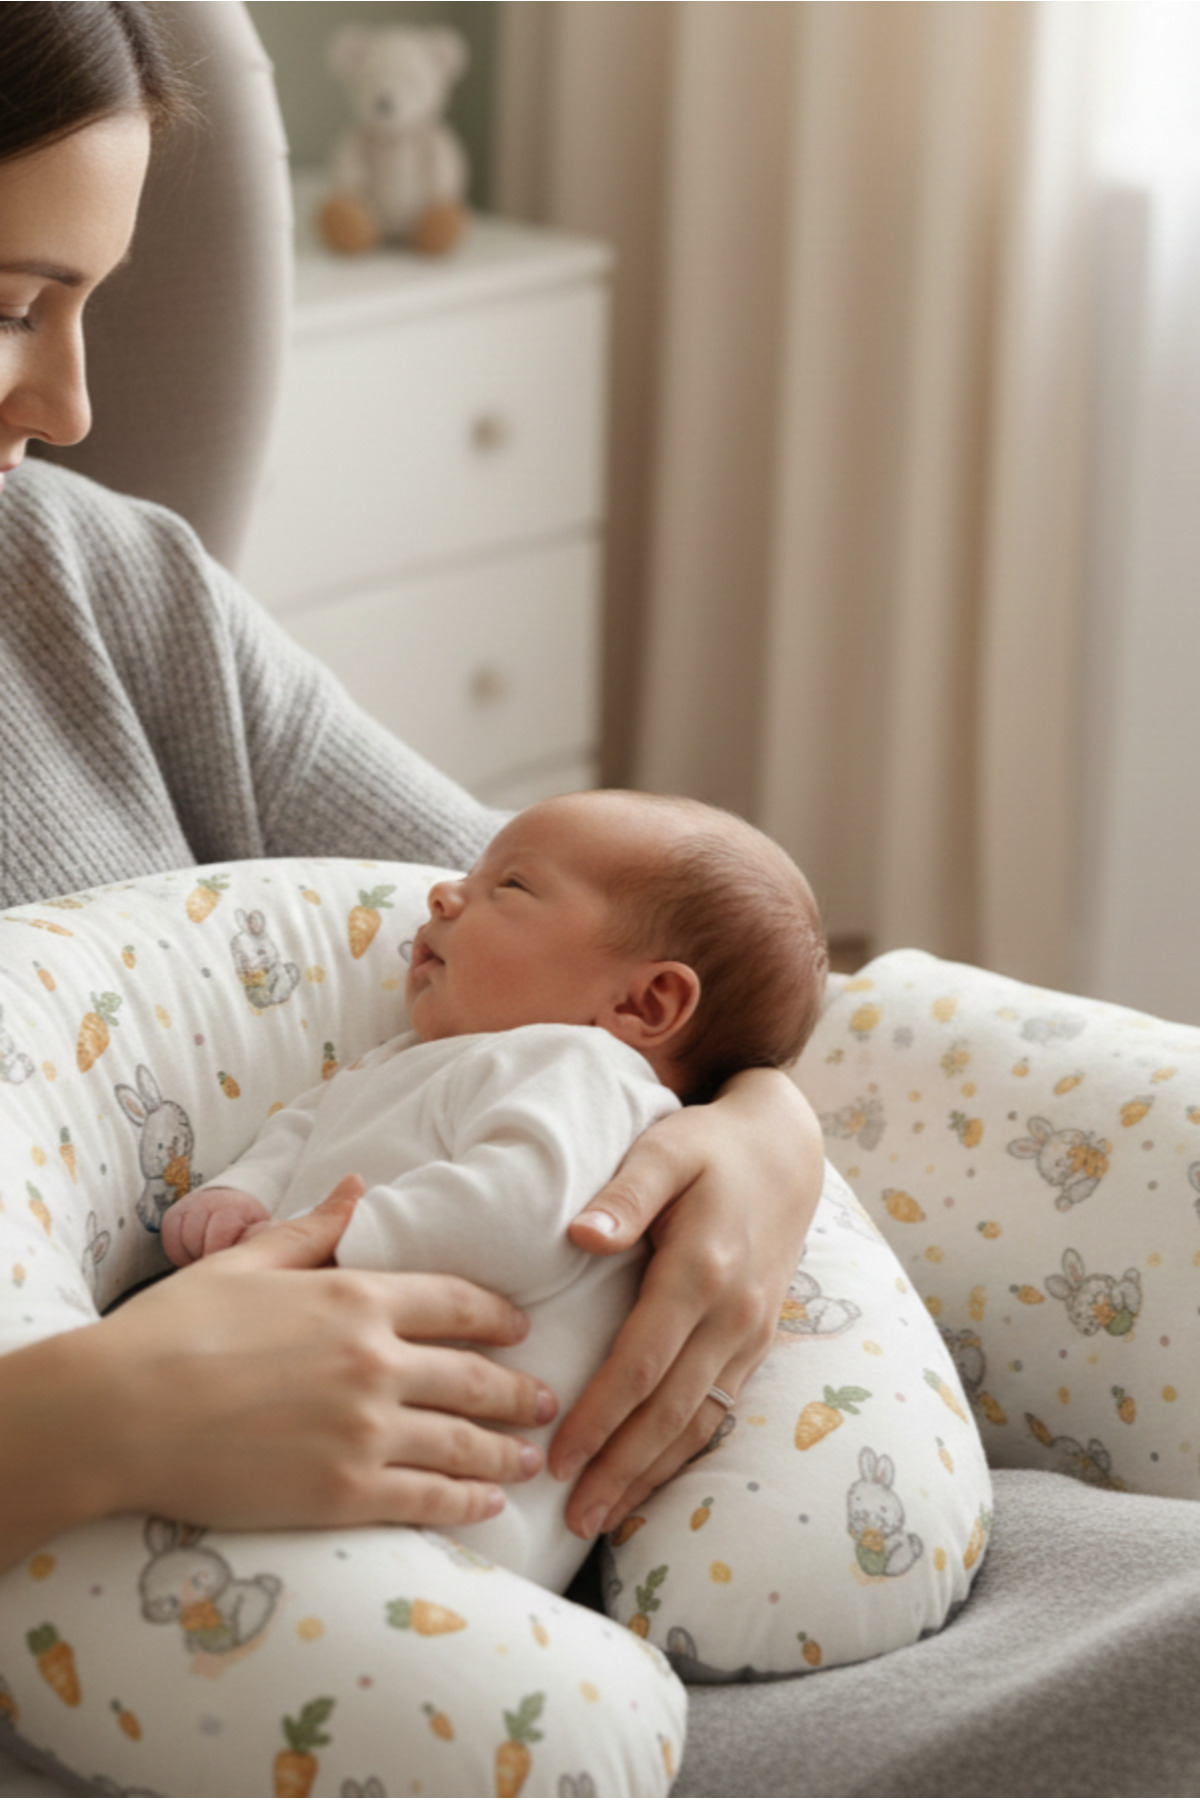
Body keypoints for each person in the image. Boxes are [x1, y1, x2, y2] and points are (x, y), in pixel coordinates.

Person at [0, 2, 824, 1582]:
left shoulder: (97, 586)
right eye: (8, 309)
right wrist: (97, 1420)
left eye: (87, 305)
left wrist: (758, 1121)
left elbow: (611, 931)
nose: (72, 410)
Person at [159, 790, 829, 1592]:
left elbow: (524, 1215)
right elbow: (299, 1133)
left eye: (507, 887)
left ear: (642, 1003)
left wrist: (322, 1242)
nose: (443, 893)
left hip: (463, 1493)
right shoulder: (399, 1059)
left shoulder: (581, 1069)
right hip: (333, 1418)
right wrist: (239, 1198)